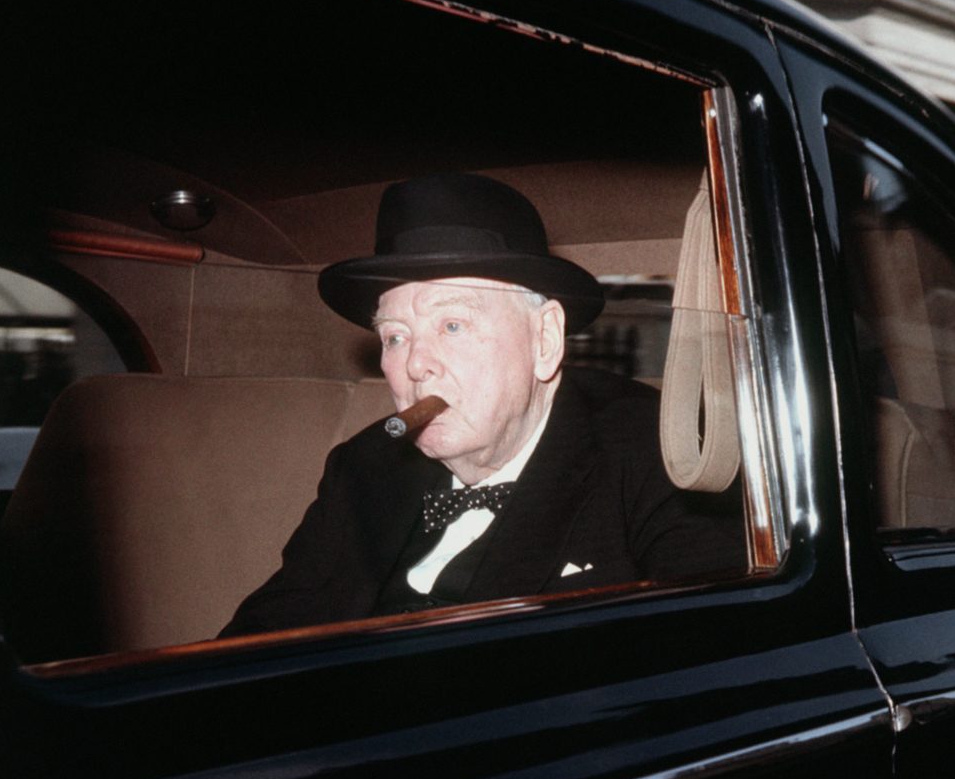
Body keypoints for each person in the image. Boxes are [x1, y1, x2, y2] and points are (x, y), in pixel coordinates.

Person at [221, 172, 744, 637]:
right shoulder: (363, 465)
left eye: (452, 325)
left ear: (544, 339)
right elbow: (262, 640)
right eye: (395, 336)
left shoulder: (665, 454)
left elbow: (710, 652)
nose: (415, 365)